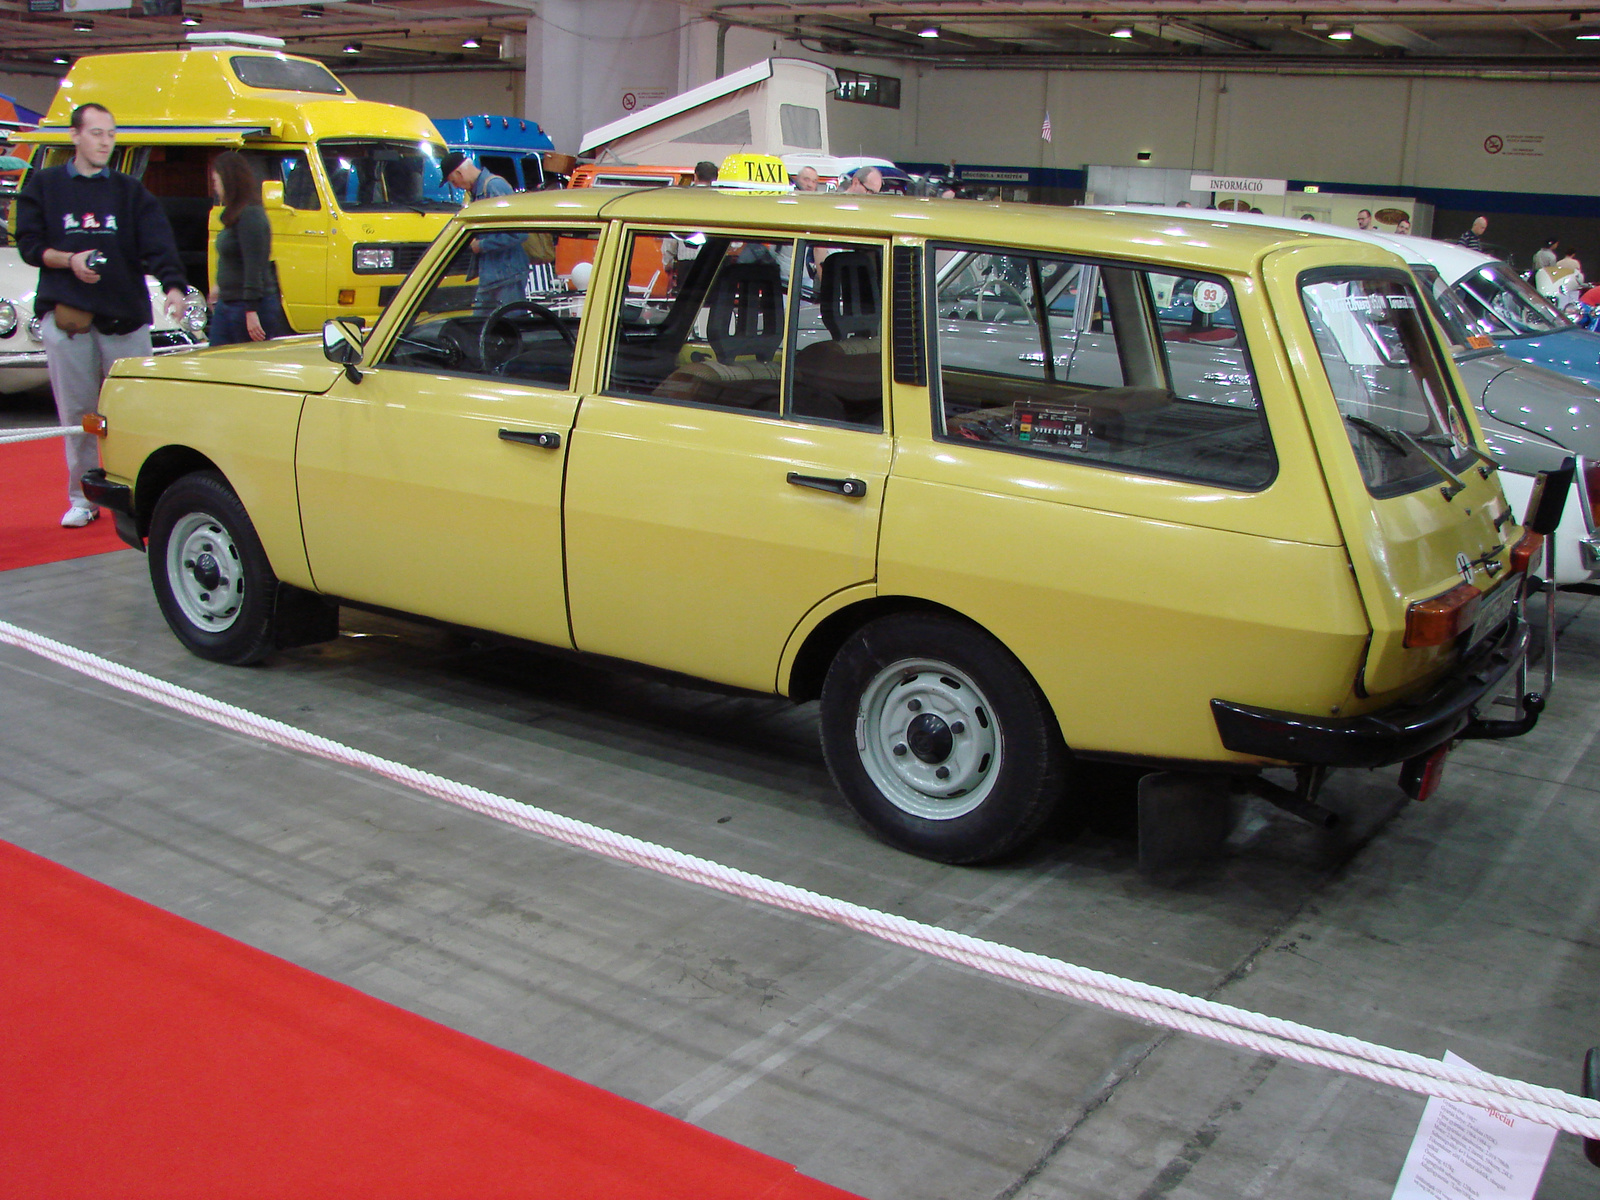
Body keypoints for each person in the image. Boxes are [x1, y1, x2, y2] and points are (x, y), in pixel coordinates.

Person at [15, 101, 187, 528]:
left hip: (125, 320)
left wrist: (173, 286)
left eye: (110, 134)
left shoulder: (131, 192)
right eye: (96, 133)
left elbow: (157, 242)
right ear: (75, 136)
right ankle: (83, 496)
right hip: (70, 322)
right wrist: (69, 261)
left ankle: (139, 490)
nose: (105, 141)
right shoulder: (46, 185)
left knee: (137, 411)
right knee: (78, 414)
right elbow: (29, 244)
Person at [441, 150, 528, 312]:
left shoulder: (494, 187)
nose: (456, 186)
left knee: (507, 327)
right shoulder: (477, 193)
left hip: (507, 276)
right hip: (494, 276)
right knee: (482, 327)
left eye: (453, 181)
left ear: (459, 173)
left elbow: (519, 232)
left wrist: (481, 245)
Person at [207, 150, 276, 345]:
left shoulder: (251, 216)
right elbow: (232, 258)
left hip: (246, 306)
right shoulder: (234, 214)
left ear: (229, 181)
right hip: (228, 302)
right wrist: (219, 286)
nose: (216, 187)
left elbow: (254, 266)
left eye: (217, 181)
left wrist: (251, 310)